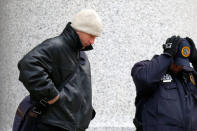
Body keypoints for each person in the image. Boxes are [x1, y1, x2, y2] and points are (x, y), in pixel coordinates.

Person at [17, 9, 102, 131]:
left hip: (67, 124)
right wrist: (52, 95)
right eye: (91, 36)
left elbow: (77, 86)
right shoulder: (57, 45)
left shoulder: (80, 54)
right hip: (53, 123)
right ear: (79, 30)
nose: (92, 41)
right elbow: (28, 65)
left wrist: (87, 110)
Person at [131, 36, 197, 131]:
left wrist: (196, 61)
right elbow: (145, 80)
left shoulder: (190, 74)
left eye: (182, 63)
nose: (179, 66)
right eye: (177, 62)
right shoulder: (146, 68)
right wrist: (167, 56)